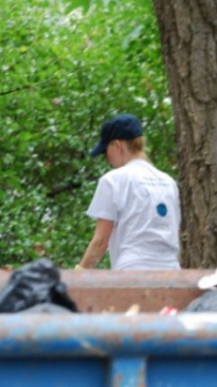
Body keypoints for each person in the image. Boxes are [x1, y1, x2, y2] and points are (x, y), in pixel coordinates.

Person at [77, 114, 181, 270]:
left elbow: (100, 242)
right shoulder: (168, 182)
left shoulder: (113, 180)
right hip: (172, 272)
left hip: (133, 271)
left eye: (106, 152)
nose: (107, 159)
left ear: (118, 146)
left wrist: (79, 276)